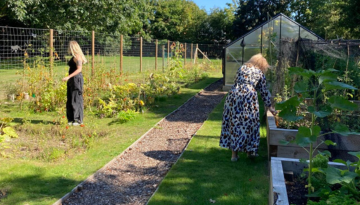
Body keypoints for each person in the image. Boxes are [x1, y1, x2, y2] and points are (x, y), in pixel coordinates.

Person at [219, 53, 277, 161]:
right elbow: (264, 92)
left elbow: (236, 82)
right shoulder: (259, 72)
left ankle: (234, 155)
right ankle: (251, 152)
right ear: (261, 64)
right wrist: (270, 107)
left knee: (235, 123)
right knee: (251, 123)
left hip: (234, 96)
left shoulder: (242, 68)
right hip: (248, 97)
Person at [62, 41, 87, 126]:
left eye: (69, 47)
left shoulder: (78, 57)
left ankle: (78, 120)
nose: (68, 48)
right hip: (72, 80)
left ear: (73, 47)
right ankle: (71, 119)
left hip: (76, 80)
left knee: (76, 99)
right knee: (70, 98)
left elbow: (79, 69)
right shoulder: (74, 57)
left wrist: (68, 77)